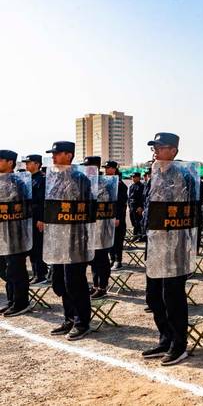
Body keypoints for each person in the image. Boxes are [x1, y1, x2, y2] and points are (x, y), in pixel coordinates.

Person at [142, 132, 197, 366]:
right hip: (155, 242)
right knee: (153, 295)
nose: (155, 150)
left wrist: (191, 246)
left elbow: (192, 214)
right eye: (154, 146)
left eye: (161, 147)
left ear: (173, 151)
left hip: (175, 245)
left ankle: (179, 344)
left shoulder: (184, 176)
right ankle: (165, 337)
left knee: (172, 295)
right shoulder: (154, 175)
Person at [44, 141, 94, 340]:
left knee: (74, 281)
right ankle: (69, 318)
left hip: (75, 238)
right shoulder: (55, 178)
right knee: (60, 281)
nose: (54, 157)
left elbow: (86, 208)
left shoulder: (79, 179)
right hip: (59, 237)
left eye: (57, 154)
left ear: (68, 155)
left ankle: (82, 322)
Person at [0, 150, 32, 317]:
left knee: (16, 268)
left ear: (10, 163)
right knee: (6, 267)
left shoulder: (17, 183)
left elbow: (23, 207)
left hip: (16, 233)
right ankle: (12, 300)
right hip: (3, 234)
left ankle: (21, 302)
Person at [82, 156, 113, 299]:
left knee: (101, 257)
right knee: (93, 258)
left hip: (101, 226)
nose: (87, 169)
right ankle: (95, 285)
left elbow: (105, 202)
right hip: (88, 227)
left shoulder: (103, 183)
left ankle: (102, 286)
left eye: (89, 166)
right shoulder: (85, 182)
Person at [22, 154, 48, 283]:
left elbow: (44, 201)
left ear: (37, 164)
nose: (26, 165)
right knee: (31, 247)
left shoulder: (42, 179)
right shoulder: (28, 178)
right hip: (29, 218)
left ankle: (41, 274)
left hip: (38, 218)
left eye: (29, 163)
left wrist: (42, 219)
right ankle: (36, 272)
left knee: (38, 246)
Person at [128, 172, 145, 238]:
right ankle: (135, 235)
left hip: (138, 206)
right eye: (132, 177)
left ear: (138, 177)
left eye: (134, 177)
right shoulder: (132, 186)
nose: (133, 178)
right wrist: (129, 206)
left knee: (138, 222)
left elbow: (142, 198)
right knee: (133, 222)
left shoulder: (141, 186)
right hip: (132, 206)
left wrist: (140, 207)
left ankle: (138, 236)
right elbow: (130, 197)